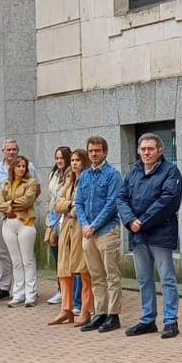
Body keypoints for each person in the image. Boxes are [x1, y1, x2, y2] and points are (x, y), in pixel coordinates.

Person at [118, 133, 182, 338]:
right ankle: (148, 320)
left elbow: (169, 200)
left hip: (160, 233)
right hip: (138, 235)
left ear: (160, 150)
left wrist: (142, 221)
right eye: (143, 149)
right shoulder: (134, 172)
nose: (146, 152)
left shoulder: (170, 172)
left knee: (167, 278)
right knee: (143, 278)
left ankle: (170, 321)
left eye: (150, 149)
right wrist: (130, 221)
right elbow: (121, 197)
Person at [75, 135, 124, 334]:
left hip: (107, 232)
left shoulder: (113, 175)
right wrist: (85, 225)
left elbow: (112, 203)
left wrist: (93, 226)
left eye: (97, 150)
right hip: (88, 234)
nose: (94, 154)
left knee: (112, 275)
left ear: (105, 152)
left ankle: (113, 315)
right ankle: (100, 313)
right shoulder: (85, 176)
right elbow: (78, 203)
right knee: (96, 276)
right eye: (91, 150)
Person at [0, 139, 38, 303]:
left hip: (25, 222)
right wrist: (8, 207)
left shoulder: (30, 181)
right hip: (7, 224)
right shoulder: (4, 181)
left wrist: (9, 206)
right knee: (15, 260)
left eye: (23, 166)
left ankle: (31, 293)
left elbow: (28, 199)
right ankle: (18, 293)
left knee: (27, 260)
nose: (21, 169)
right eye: (18, 166)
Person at [48, 149, 92, 326]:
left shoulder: (88, 179)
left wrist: (70, 206)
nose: (74, 163)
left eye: (77, 160)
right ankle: (66, 309)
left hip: (81, 227)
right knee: (64, 269)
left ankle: (85, 309)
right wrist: (70, 205)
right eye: (72, 160)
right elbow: (57, 204)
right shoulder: (68, 179)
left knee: (83, 270)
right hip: (66, 227)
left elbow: (87, 203)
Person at [42, 146, 73, 307]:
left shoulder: (71, 175)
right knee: (57, 257)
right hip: (53, 220)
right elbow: (50, 198)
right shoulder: (53, 174)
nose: (59, 161)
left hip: (66, 219)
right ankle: (61, 289)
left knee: (68, 258)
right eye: (57, 158)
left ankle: (71, 292)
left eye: (61, 158)